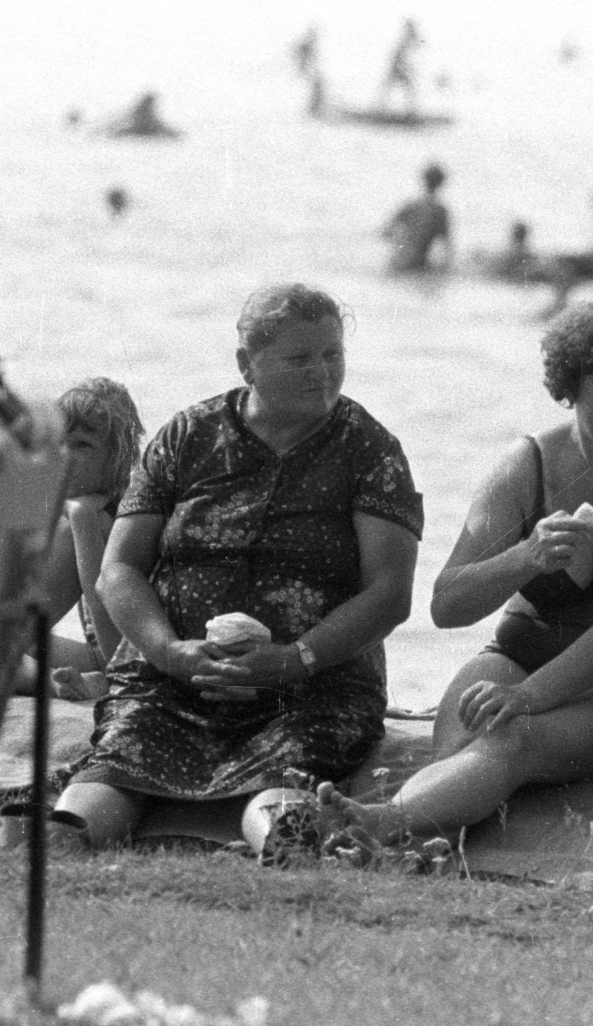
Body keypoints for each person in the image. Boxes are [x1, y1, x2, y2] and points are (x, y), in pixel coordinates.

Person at [314, 299, 593, 852]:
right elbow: (446, 605)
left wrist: (530, 696)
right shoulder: (525, 462)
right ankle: (409, 837)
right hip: (513, 654)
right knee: (459, 751)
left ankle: (381, 825)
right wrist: (525, 558)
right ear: (570, 389)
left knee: (511, 740)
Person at [50, 284, 423, 851]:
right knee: (97, 790)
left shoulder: (369, 450)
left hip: (310, 688)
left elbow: (390, 592)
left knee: (284, 797)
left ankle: (289, 847)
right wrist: (169, 653)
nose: (321, 372)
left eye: (333, 354)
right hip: (171, 683)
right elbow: (119, 569)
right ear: (247, 364)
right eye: (300, 358)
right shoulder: (187, 436)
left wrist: (294, 661)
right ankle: (50, 849)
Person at [13, 378, 145, 702]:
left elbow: (116, 642)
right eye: (60, 441)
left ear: (120, 458)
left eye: (82, 445)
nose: (64, 454)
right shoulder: (92, 507)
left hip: (125, 658)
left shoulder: (107, 519)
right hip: (102, 657)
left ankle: (53, 684)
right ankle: (80, 681)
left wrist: (82, 523)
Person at [382, 163, 453, 273]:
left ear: (423, 180)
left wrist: (399, 243)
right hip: (419, 264)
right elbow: (446, 245)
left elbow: (386, 233)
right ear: (441, 183)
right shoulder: (440, 211)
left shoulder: (410, 205)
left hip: (397, 261)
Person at [376, 18, 422, 111]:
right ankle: (381, 109)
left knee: (404, 88)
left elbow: (404, 56)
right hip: (399, 67)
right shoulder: (407, 40)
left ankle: (410, 111)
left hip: (400, 68)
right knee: (398, 88)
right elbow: (401, 56)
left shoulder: (408, 40)